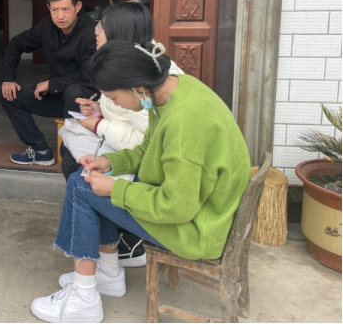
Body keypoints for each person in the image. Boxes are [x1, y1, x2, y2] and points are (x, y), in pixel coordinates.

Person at [30, 40, 251, 323]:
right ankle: (107, 273)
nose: (113, 104)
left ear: (135, 86)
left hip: (196, 228)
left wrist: (117, 189)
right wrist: (112, 163)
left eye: (113, 97)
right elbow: (150, 148)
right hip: (207, 209)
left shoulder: (183, 122)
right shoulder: (176, 89)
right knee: (92, 181)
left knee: (80, 186)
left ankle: (84, 299)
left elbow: (177, 207)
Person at [58, 2, 184, 268]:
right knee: (76, 159)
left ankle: (119, 251)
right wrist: (100, 109)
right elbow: (127, 113)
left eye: (102, 25)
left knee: (82, 180)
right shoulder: (132, 63)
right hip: (134, 156)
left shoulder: (146, 80)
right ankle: (108, 263)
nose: (96, 30)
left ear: (118, 32)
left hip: (150, 172)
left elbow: (147, 141)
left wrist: (98, 125)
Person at [1, 0, 97, 166]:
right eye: (55, 10)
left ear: (78, 7)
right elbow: (16, 44)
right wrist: (8, 79)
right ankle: (40, 151)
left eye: (65, 10)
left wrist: (51, 84)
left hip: (86, 102)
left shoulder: (91, 32)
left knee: (75, 91)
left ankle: (74, 157)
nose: (60, 16)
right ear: (48, 8)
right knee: (9, 97)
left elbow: (88, 77)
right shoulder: (47, 25)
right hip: (57, 96)